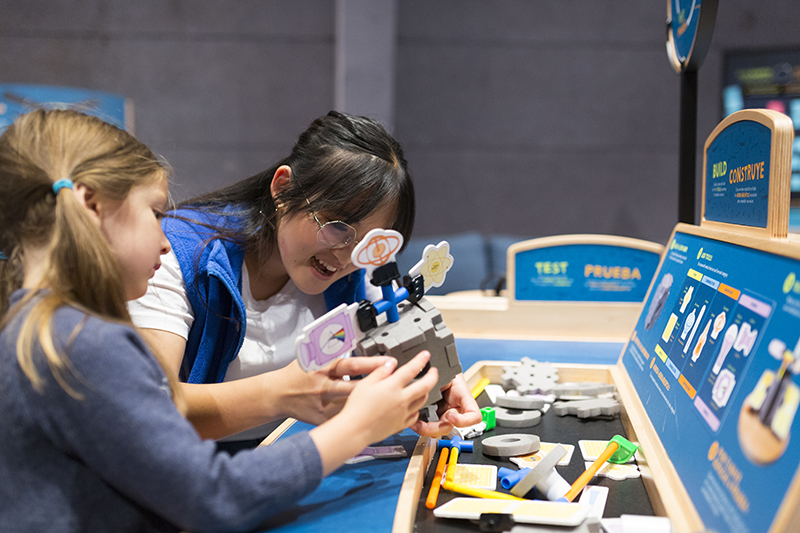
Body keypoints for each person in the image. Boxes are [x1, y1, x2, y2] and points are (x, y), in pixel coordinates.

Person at [0, 109, 438, 532]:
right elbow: (210, 496)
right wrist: (354, 426)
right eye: (155, 214)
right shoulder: (84, 343)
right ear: (89, 204)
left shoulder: (43, 328)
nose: (165, 239)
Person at [128, 110, 481, 447]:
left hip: (303, 457)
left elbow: (403, 335)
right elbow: (150, 406)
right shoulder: (173, 255)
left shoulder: (361, 266)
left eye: (370, 243)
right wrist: (282, 394)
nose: (345, 257)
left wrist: (441, 380)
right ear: (282, 189)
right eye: (337, 227)